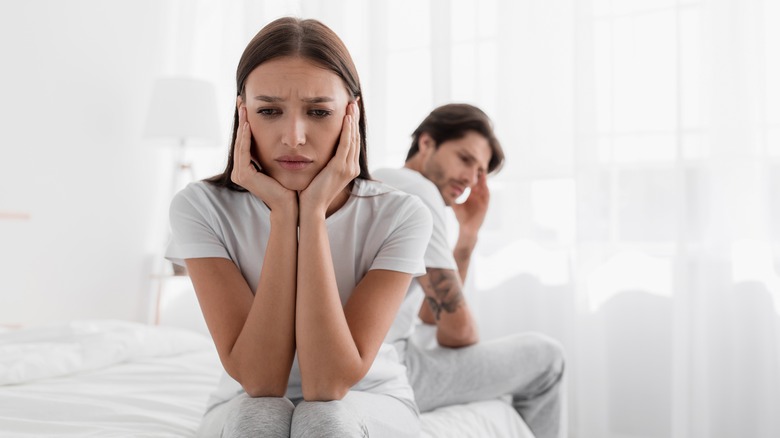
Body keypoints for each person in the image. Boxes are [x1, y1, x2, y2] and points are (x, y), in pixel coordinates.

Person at [166, 17, 432, 438]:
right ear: (243, 113)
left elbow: (328, 385)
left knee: (323, 417)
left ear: (352, 114)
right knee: (263, 415)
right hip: (241, 402)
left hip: (372, 400)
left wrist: (310, 216)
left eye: (318, 112)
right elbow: (261, 381)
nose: (293, 137)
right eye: (269, 111)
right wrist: (283, 215)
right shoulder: (200, 207)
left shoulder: (401, 215)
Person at [374, 103, 566, 438]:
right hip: (388, 371)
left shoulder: (381, 178)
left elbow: (431, 315)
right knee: (548, 357)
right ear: (426, 143)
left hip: (368, 354)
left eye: (480, 172)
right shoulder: (417, 192)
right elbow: (457, 332)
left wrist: (467, 238)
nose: (470, 179)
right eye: (465, 159)